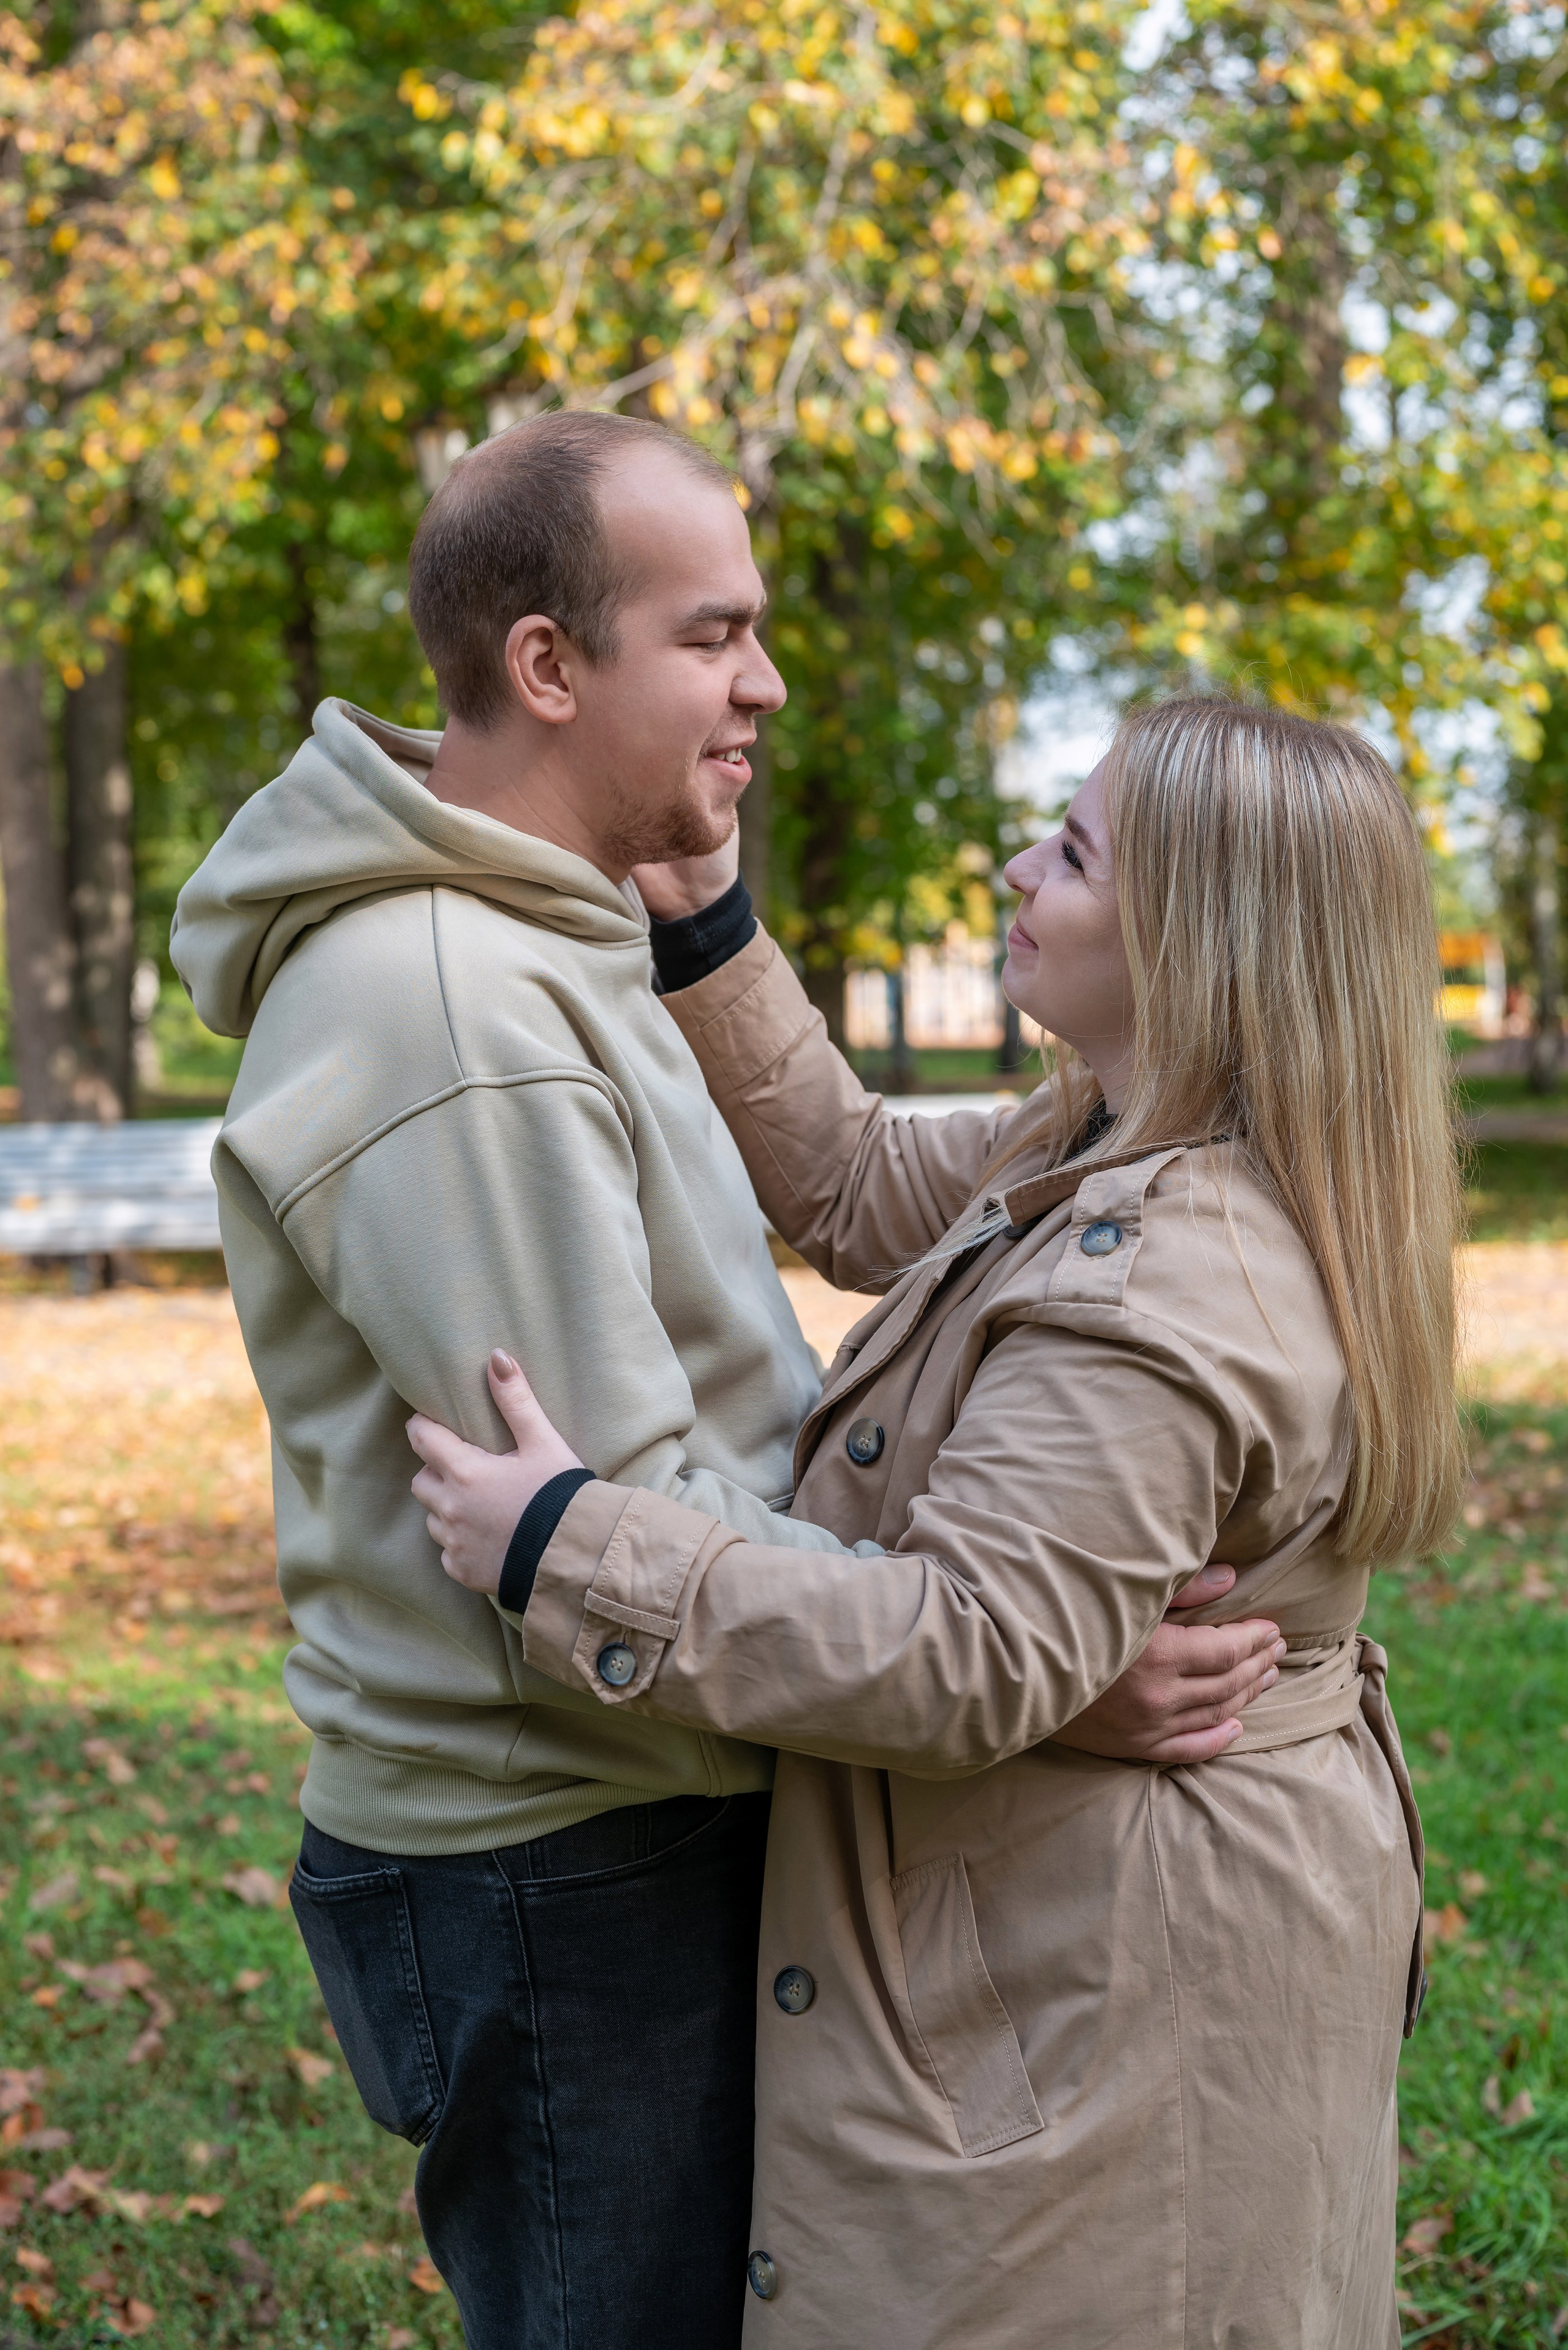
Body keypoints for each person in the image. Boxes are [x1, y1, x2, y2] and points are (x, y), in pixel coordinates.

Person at [168, 417, 1281, 2350]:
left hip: (654, 1788)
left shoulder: (562, 935)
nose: (765, 680)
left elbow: (860, 1192)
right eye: (715, 633)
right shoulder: (457, 1017)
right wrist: (1024, 1678)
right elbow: (613, 1535)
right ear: (547, 666)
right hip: (565, 1847)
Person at [410, 694, 1464, 2349]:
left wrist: (568, 1543)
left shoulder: (1172, 1275)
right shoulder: (1115, 1135)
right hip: (1165, 1899)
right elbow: (847, 1180)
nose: (1015, 867)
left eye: (1072, 849)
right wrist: (705, 915)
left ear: (1200, 932)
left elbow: (965, 1648)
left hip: (1119, 1956)